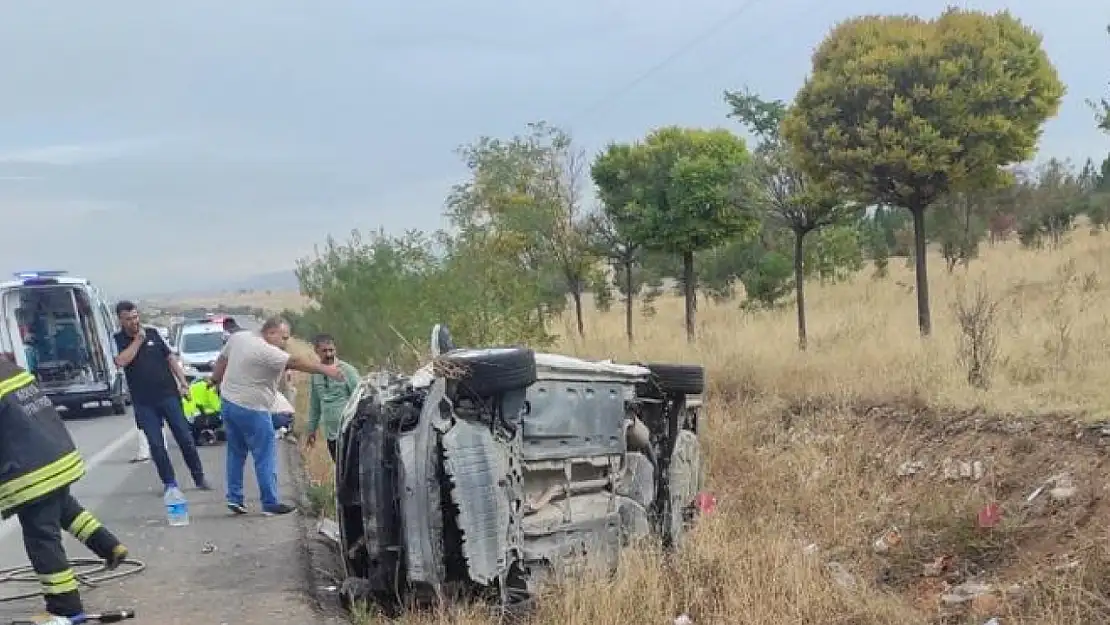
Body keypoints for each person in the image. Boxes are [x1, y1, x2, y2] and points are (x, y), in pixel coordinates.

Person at [0, 358, 130, 624]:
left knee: (41, 537)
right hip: (56, 455)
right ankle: (110, 547)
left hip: (31, 471)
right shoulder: (9, 368)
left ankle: (65, 606)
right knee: (66, 510)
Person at [211, 316, 343, 516]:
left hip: (229, 403)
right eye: (284, 338)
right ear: (271, 333)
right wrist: (327, 370)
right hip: (253, 408)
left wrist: (214, 380)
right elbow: (296, 362)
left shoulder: (239, 338)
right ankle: (270, 503)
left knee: (235, 452)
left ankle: (234, 497)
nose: (285, 343)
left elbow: (222, 360)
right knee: (265, 455)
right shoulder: (267, 350)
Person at [113, 301, 211, 493]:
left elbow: (170, 358)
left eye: (135, 317)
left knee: (185, 438)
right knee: (156, 445)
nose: (134, 322)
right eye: (129, 319)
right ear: (121, 320)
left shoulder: (153, 333)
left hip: (168, 396)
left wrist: (183, 382)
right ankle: (169, 483)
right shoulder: (117, 340)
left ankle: (199, 477)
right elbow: (121, 361)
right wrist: (137, 341)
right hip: (144, 402)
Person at [304, 334, 360, 462]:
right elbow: (315, 405)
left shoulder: (347, 371)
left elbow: (360, 398)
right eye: (324, 351)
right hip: (331, 434)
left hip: (349, 433)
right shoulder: (316, 373)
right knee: (339, 470)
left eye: (331, 350)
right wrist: (311, 430)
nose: (329, 354)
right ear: (316, 351)